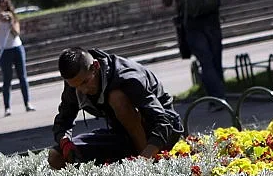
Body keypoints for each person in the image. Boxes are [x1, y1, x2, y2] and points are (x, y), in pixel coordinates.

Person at [47, 47, 185, 169]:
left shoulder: (127, 76)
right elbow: (62, 122)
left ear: (95, 66)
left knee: (117, 98)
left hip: (161, 132)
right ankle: (131, 160)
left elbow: (164, 122)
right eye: (75, 86)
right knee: (56, 156)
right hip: (122, 135)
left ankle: (147, 167)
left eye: (85, 82)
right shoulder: (76, 84)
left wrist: (144, 160)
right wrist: (65, 143)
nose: (82, 90)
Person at [163, 0, 225, 100]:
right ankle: (220, 95)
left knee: (206, 63)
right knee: (216, 60)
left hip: (192, 23)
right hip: (212, 18)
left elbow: (167, 2)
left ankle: (217, 97)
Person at [0, 0, 35, 117]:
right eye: (1, 6)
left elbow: (16, 33)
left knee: (22, 77)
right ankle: (7, 107)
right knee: (7, 79)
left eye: (5, 6)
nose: (3, 9)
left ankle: (27, 103)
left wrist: (10, 21)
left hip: (16, 47)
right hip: (3, 50)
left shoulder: (13, 16)